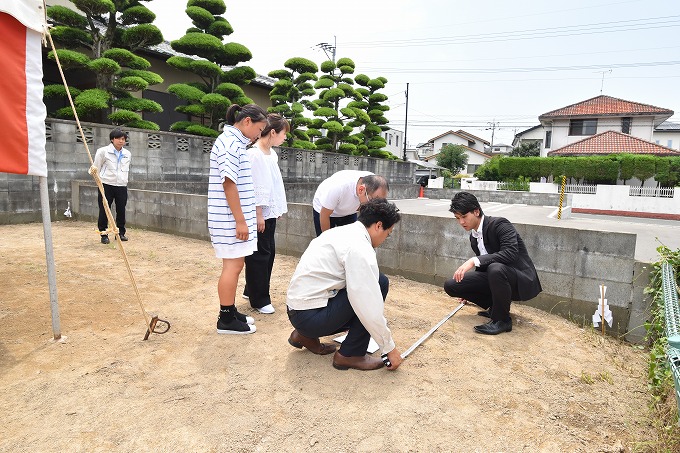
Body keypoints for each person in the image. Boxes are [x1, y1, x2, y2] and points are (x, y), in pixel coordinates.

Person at [286, 198, 403, 371]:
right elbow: (366, 303)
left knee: (365, 286)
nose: (386, 238)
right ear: (379, 225)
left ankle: (304, 335)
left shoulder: (340, 232)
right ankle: (350, 354)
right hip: (311, 317)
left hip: (297, 311)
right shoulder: (359, 247)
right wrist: (389, 347)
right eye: (388, 233)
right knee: (379, 283)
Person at [443, 192, 542, 335]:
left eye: (464, 217)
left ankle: (502, 320)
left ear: (476, 211)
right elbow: (484, 268)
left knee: (496, 268)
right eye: (457, 218)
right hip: (498, 277)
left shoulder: (500, 224)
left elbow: (510, 252)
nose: (461, 222)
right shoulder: (474, 237)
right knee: (452, 285)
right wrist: (469, 289)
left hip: (520, 279)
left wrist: (473, 260)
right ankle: (495, 308)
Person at [208, 103, 268, 335]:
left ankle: (230, 310)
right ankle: (225, 318)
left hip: (230, 217)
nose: (258, 135)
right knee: (232, 267)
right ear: (246, 122)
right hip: (229, 219)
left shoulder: (234, 142)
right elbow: (229, 183)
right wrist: (241, 221)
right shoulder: (230, 144)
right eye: (259, 129)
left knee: (236, 265)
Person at [242, 114, 290, 314]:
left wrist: (276, 208)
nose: (285, 138)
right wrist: (259, 214)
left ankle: (251, 289)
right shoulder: (255, 154)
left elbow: (273, 184)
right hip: (258, 214)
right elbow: (253, 186)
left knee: (268, 252)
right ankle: (259, 299)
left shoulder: (271, 153)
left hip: (269, 212)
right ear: (273, 132)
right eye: (284, 133)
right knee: (260, 255)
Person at [312, 170, 389, 236]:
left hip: (349, 211)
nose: (375, 205)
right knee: (327, 244)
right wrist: (327, 240)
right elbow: (324, 215)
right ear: (361, 190)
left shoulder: (374, 183)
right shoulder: (339, 187)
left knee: (351, 239)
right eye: (373, 201)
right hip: (325, 210)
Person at [93, 128, 131, 244]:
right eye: (118, 138)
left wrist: (124, 180)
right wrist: (98, 180)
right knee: (105, 209)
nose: (121, 141)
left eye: (123, 139)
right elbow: (96, 168)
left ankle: (120, 233)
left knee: (121, 210)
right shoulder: (103, 151)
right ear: (112, 139)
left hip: (121, 185)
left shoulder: (127, 154)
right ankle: (104, 234)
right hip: (106, 184)